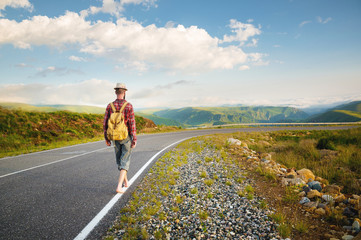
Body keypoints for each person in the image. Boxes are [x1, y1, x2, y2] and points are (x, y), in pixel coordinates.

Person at [103, 83, 137, 194]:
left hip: (114, 137)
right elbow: (132, 124)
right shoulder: (128, 105)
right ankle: (119, 186)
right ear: (124, 92)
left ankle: (126, 182)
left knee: (120, 160)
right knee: (125, 160)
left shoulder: (109, 106)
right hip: (125, 136)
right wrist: (134, 139)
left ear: (115, 92)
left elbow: (105, 123)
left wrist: (106, 138)